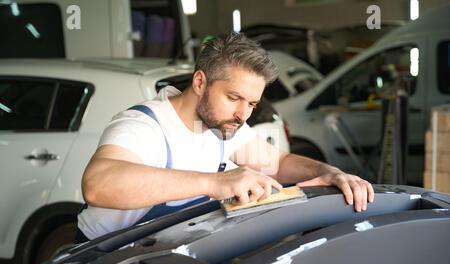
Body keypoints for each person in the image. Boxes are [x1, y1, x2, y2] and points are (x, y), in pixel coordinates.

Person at [77, 33, 374, 242]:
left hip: (156, 257)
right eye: (234, 97)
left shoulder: (220, 125)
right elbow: (98, 184)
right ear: (199, 81)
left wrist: (329, 172)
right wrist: (216, 183)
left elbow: (277, 162)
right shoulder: (144, 126)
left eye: (252, 104)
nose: (242, 114)